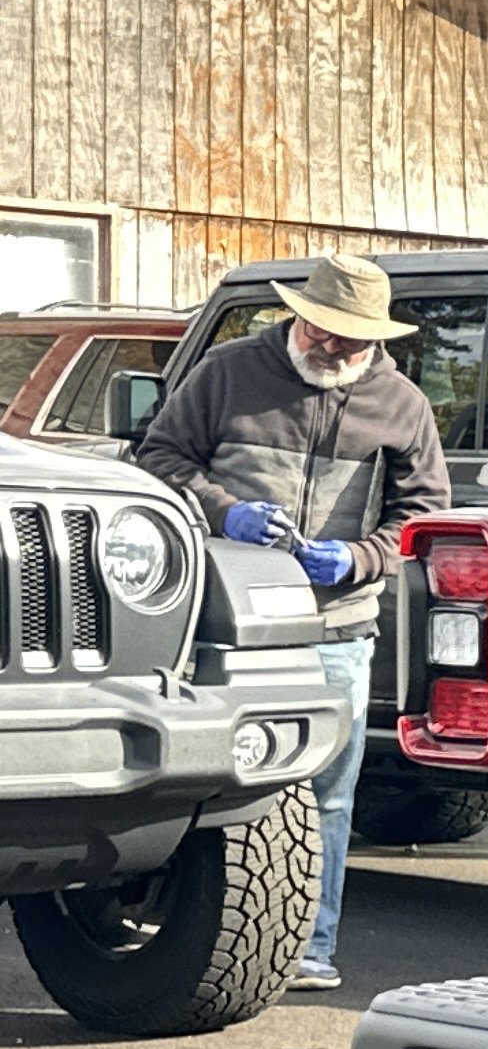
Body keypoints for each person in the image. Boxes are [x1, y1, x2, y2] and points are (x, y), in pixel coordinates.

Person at [134, 254, 452, 989]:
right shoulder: (226, 371)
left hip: (336, 626)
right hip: (224, 623)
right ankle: (191, 944)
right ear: (297, 316)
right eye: (325, 331)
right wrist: (225, 514)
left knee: (327, 793)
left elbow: (424, 514)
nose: (336, 349)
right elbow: (158, 458)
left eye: (355, 341)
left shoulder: (402, 403)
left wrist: (358, 557)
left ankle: (310, 949)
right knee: (211, 782)